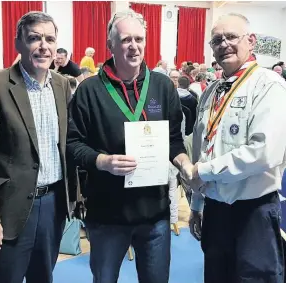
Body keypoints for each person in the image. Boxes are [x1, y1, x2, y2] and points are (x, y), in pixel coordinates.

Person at [67, 8, 193, 283]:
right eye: (125, 40)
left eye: (139, 39)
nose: (133, 46)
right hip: (107, 214)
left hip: (155, 214)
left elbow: (173, 139)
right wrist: (102, 161)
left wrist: (184, 162)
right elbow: (72, 144)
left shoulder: (162, 86)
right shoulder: (89, 90)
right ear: (110, 44)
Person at [187, 13, 286, 283]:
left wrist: (203, 171)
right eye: (217, 40)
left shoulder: (269, 85)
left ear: (251, 41)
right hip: (216, 210)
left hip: (253, 213)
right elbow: (203, 148)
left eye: (231, 36)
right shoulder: (211, 91)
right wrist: (197, 203)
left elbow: (264, 152)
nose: (224, 44)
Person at [0, 11, 74, 283]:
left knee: (43, 277)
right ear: (19, 44)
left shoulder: (62, 85)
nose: (44, 45)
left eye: (50, 39)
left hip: (53, 206)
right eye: (34, 38)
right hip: (8, 211)